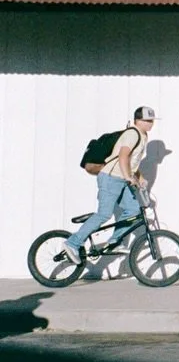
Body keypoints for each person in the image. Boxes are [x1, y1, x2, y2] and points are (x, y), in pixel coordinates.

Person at [62, 106, 157, 262]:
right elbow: (123, 156)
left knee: (133, 211)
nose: (150, 124)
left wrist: (139, 177)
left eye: (151, 120)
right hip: (111, 177)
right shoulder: (132, 134)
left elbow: (132, 161)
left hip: (121, 178)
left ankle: (114, 242)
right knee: (104, 214)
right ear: (137, 120)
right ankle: (73, 243)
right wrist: (128, 176)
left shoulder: (143, 136)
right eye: (146, 120)